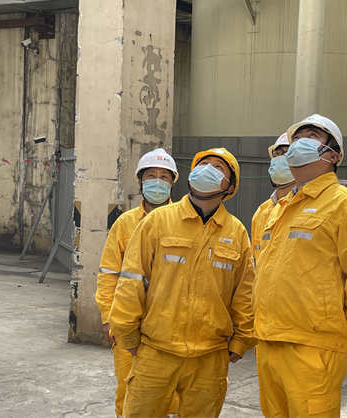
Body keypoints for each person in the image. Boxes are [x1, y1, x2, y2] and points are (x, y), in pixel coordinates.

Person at [108, 147, 256, 418]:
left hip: (210, 358)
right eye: (203, 164)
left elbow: (244, 292)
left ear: (230, 186)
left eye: (218, 168)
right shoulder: (158, 221)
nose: (207, 170)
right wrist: (126, 333)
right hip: (156, 351)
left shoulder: (236, 233)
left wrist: (242, 341)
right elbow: (131, 281)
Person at [254, 114, 347, 417]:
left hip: (313, 345)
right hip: (269, 340)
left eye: (311, 137)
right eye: (297, 139)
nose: (299, 144)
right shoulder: (280, 208)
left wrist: (340, 328)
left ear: (333, 156)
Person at [95, 147, 179, 418]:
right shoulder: (124, 223)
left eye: (164, 177)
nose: (157, 181)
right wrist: (108, 318)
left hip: (171, 327)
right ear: (140, 181)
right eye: (151, 176)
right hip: (129, 326)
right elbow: (109, 272)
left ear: (173, 183)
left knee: (172, 396)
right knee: (129, 390)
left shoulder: (184, 221)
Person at [251, 132, 295, 263]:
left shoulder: (309, 206)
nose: (280, 158)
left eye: (286, 153)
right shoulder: (261, 212)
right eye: (276, 154)